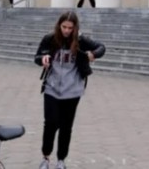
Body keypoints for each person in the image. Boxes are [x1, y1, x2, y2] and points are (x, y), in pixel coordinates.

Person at [34, 11, 106, 169]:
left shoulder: (80, 40)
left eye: (70, 28)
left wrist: (92, 54)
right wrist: (43, 59)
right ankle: (46, 158)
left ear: (75, 28)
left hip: (72, 91)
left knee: (66, 126)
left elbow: (102, 48)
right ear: (59, 26)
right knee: (51, 123)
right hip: (51, 89)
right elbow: (37, 57)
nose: (66, 31)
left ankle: (61, 160)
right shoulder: (50, 39)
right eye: (64, 27)